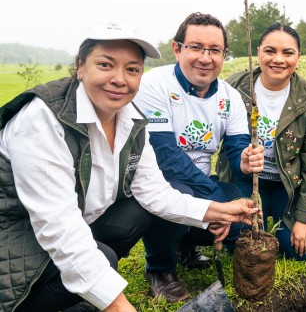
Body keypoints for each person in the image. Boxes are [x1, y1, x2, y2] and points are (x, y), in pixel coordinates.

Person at [0, 20, 259, 312]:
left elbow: (154, 192)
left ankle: (75, 293)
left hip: (75, 221)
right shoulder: (42, 120)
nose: (119, 79)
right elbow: (58, 227)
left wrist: (216, 210)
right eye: (105, 65)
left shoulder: (130, 118)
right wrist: (118, 305)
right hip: (15, 236)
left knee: (132, 215)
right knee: (103, 259)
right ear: (81, 66)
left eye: (132, 69)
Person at [133, 12, 264, 302]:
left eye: (215, 50)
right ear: (177, 48)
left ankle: (184, 247)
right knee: (180, 192)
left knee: (239, 208)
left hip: (202, 183)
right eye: (196, 47)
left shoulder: (229, 97)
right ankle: (160, 269)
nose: (206, 58)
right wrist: (219, 206)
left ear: (223, 55)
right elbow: (166, 157)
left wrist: (244, 160)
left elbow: (236, 148)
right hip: (161, 183)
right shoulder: (154, 85)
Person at [217, 23, 306, 260]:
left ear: (298, 56)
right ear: (258, 53)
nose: (278, 59)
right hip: (245, 179)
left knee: (303, 251)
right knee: (242, 244)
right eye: (270, 51)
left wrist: (304, 219)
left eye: (288, 53)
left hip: (285, 184)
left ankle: (281, 219)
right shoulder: (233, 87)